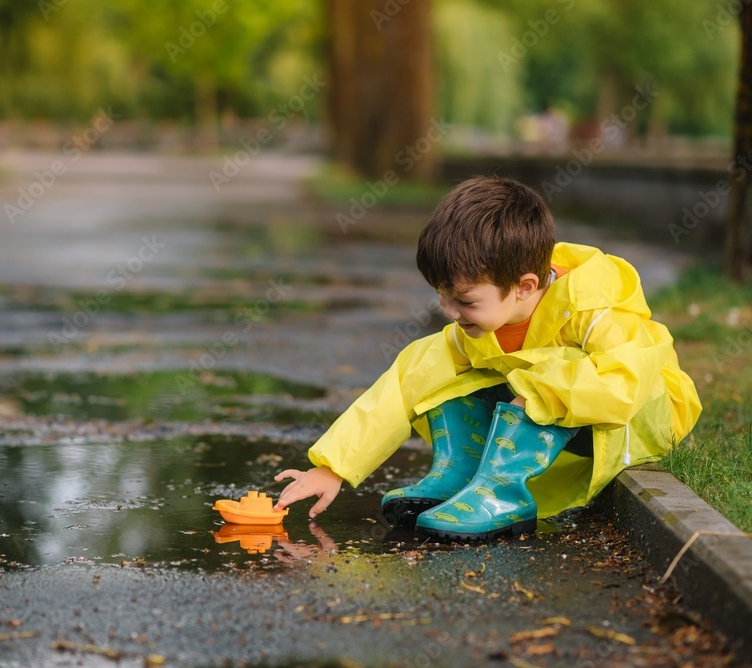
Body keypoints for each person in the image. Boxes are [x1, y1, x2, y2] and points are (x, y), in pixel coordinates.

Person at [274, 176, 701, 541]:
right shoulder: (482, 321)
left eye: (464, 300)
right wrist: (332, 468)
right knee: (434, 372)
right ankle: (462, 478)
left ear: (523, 286)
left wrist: (540, 393)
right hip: (571, 417)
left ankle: (502, 493)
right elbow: (406, 380)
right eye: (441, 295)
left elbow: (623, 383)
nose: (448, 310)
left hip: (642, 416)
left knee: (545, 378)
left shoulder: (594, 310)